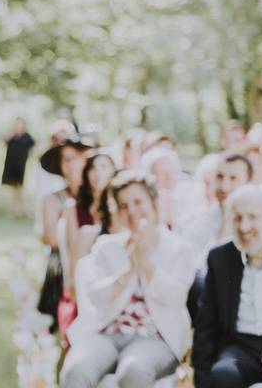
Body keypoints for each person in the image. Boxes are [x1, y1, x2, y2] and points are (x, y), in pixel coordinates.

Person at [61, 171, 195, 388]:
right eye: (123, 205)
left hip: (156, 337)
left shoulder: (178, 249)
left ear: (153, 202)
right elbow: (95, 297)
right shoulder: (107, 246)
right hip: (107, 333)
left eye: (137, 202)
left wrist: (145, 261)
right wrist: (128, 269)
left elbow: (174, 298)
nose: (131, 211)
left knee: (133, 370)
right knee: (76, 369)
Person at [193, 185, 262, 387]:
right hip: (240, 347)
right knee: (222, 376)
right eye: (237, 218)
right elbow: (206, 324)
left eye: (253, 217)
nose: (244, 227)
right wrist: (201, 379)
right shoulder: (220, 257)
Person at [58, 153, 116, 345]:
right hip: (83, 288)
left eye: (104, 166)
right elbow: (75, 256)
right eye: (92, 167)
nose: (98, 173)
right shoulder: (75, 208)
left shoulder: (118, 210)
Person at [37, 135, 94, 328]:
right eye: (65, 160)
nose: (71, 165)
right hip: (62, 270)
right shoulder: (53, 199)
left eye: (75, 158)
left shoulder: (100, 196)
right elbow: (51, 239)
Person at [1, 117, 36, 214]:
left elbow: (33, 147)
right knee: (14, 188)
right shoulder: (12, 136)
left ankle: (21, 209)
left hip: (21, 165)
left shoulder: (27, 137)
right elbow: (4, 140)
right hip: (11, 165)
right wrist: (12, 134)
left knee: (19, 188)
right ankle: (16, 209)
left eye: (20, 124)